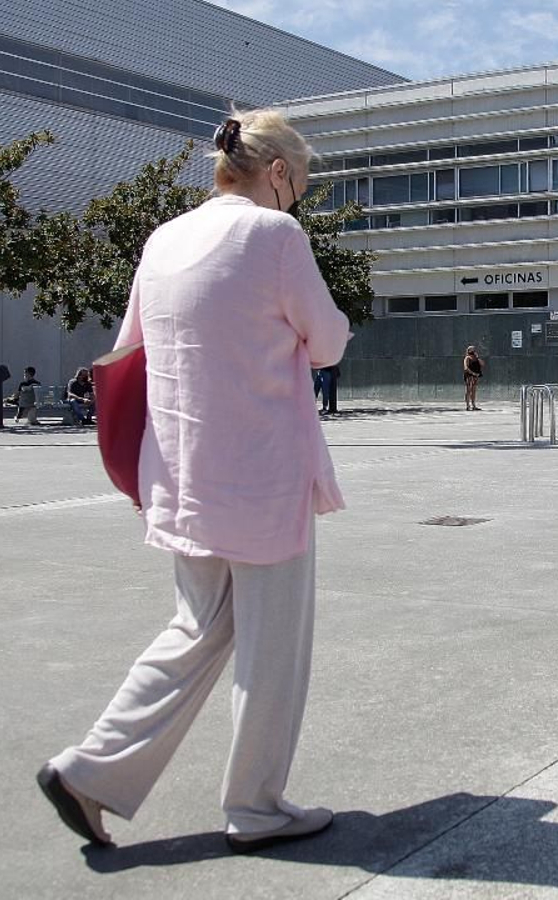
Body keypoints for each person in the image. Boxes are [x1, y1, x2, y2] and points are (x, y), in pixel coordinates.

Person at [38, 108, 353, 855]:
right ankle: (255, 806)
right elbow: (327, 342)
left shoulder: (164, 238)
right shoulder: (276, 235)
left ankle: (90, 770)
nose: (300, 198)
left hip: (181, 469)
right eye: (301, 184)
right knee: (272, 646)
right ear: (278, 171)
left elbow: (130, 349)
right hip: (263, 472)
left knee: (197, 626)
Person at [462, 346, 485, 410]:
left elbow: (482, 364)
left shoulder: (476, 358)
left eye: (474, 350)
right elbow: (466, 368)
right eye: (472, 350)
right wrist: (472, 373)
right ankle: (467, 405)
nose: (473, 351)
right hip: (469, 376)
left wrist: (477, 358)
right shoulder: (467, 358)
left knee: (473, 390)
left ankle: (473, 405)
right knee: (468, 390)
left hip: (475, 376)